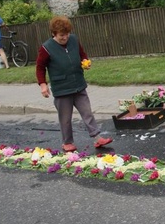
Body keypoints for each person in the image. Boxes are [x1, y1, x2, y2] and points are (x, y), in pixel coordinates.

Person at [36, 16, 113, 152]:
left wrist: (85, 62)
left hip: (78, 84)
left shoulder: (74, 40)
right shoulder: (46, 48)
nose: (65, 37)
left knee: (87, 112)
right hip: (62, 89)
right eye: (61, 35)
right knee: (65, 119)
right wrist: (43, 84)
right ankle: (67, 142)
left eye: (67, 34)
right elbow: (40, 67)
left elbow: (82, 54)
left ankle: (97, 138)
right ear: (54, 33)